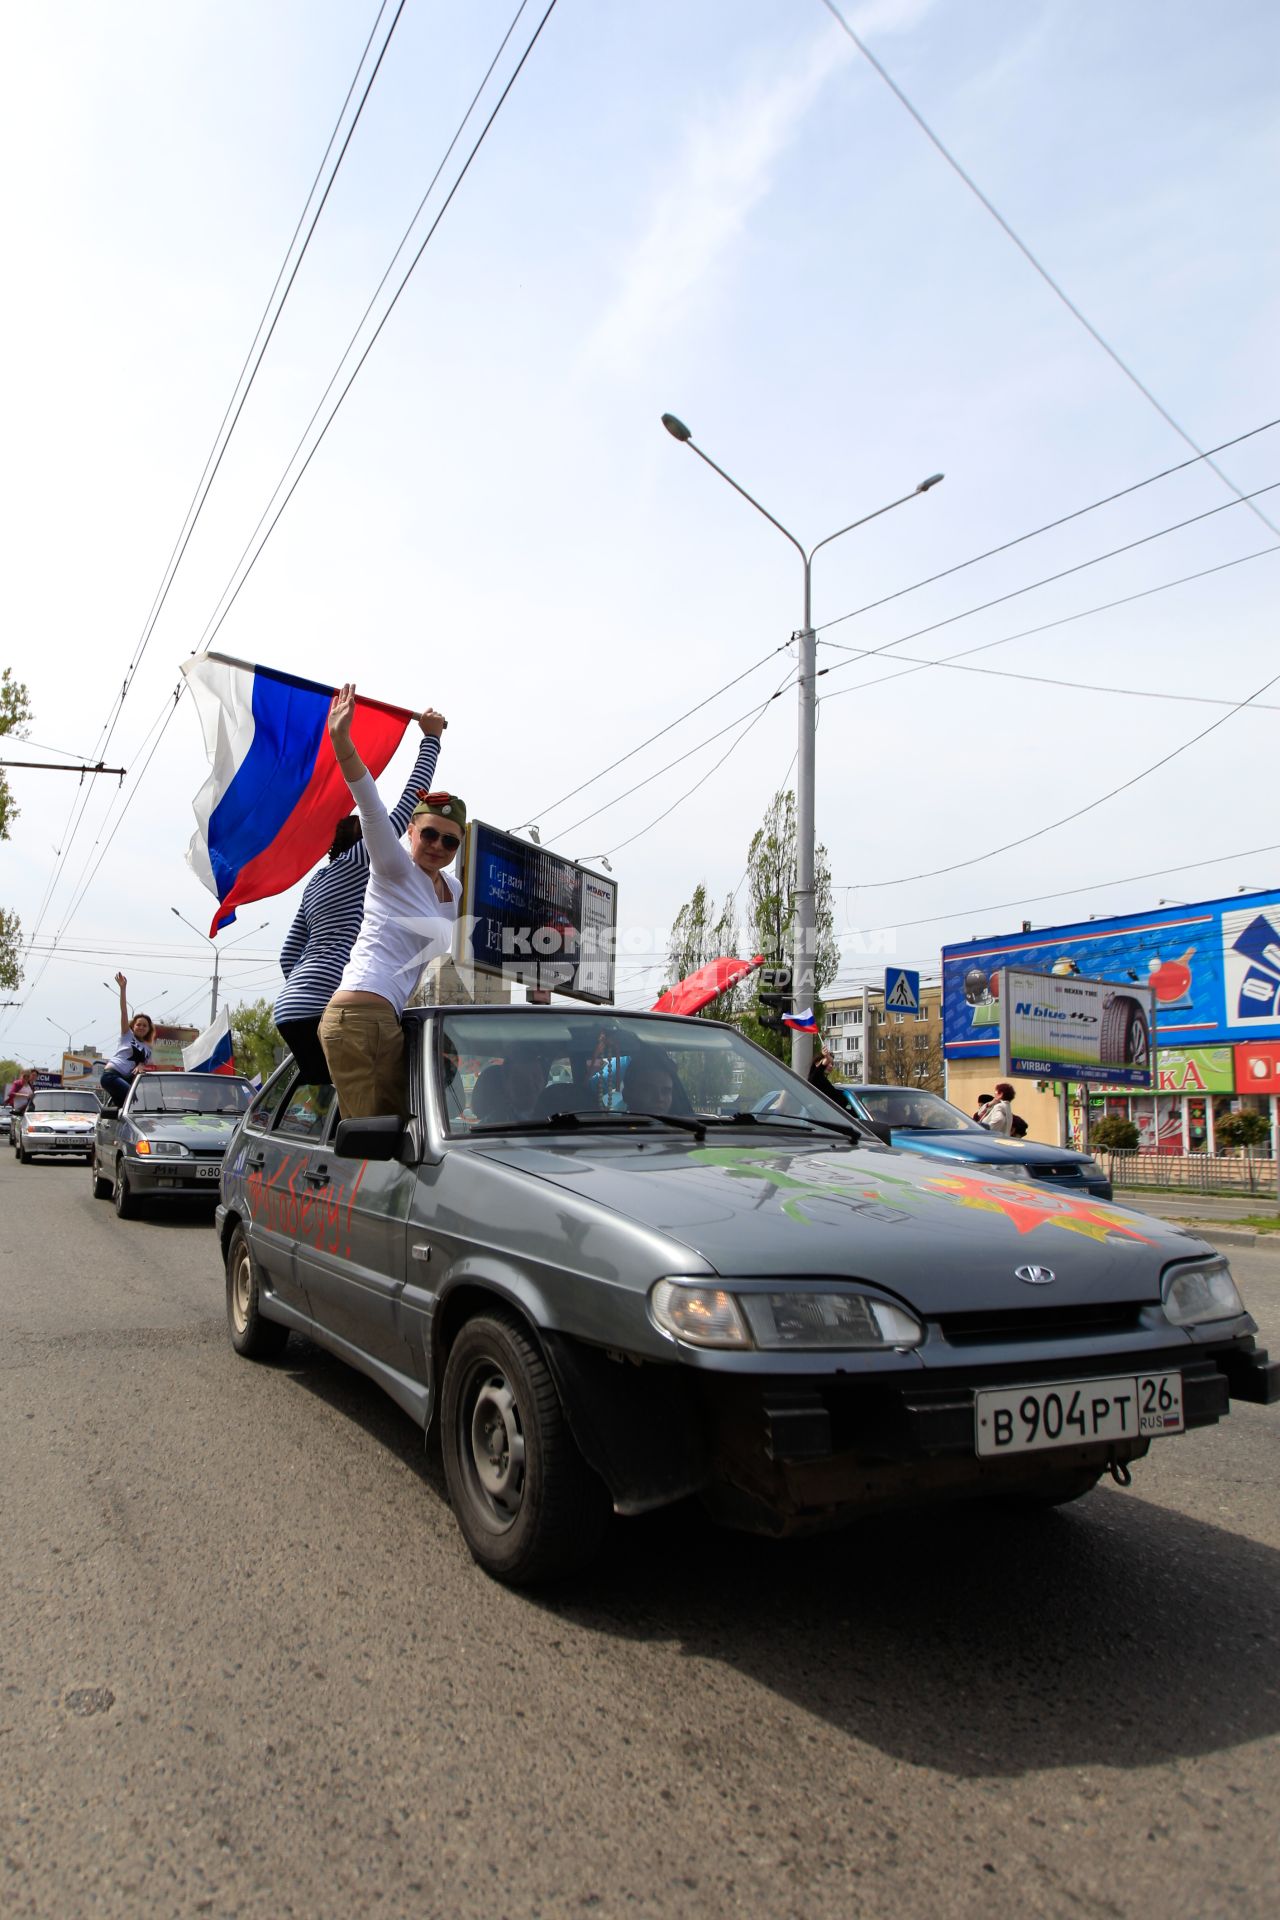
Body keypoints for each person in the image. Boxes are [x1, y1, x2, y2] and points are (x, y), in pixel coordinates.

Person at [274, 706, 447, 1083]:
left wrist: (307, 983)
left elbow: (289, 954)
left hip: (290, 1008)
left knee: (335, 1095)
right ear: (365, 840)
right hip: (330, 1005)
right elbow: (405, 807)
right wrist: (430, 740)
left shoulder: (317, 881)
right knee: (405, 1081)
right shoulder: (361, 862)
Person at [319, 684, 463, 1121]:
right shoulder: (393, 866)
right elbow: (370, 802)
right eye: (430, 834)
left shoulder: (453, 891)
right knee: (381, 1141)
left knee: (417, 1124)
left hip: (389, 1018)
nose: (439, 846)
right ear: (410, 834)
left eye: (451, 840)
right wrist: (343, 741)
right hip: (361, 1016)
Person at [100, 973, 155, 1105]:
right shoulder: (127, 1035)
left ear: (148, 1029)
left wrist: (142, 1064)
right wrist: (123, 989)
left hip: (127, 1078)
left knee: (131, 1102)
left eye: (145, 1025)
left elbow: (143, 1067)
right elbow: (124, 1011)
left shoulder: (148, 1049)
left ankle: (114, 1117)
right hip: (111, 1075)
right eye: (138, 1024)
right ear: (133, 1026)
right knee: (133, 1099)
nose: (141, 1027)